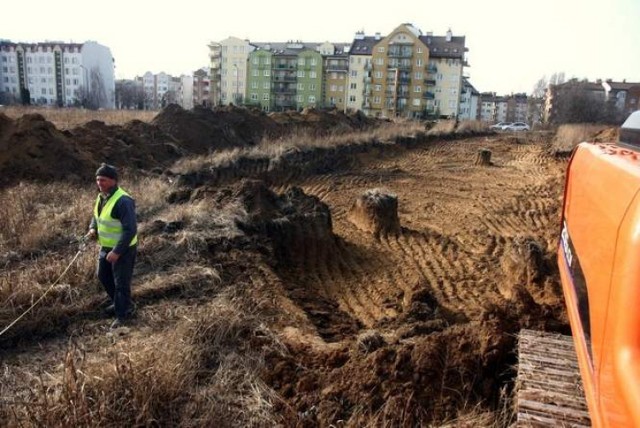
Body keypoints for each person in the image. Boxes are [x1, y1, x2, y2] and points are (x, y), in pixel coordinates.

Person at [86, 163, 138, 329]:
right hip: (106, 247)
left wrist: (117, 251)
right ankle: (120, 304)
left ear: (113, 181)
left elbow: (130, 230)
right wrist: (92, 228)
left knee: (121, 282)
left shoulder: (123, 201)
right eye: (97, 179)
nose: (99, 183)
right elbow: (97, 215)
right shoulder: (102, 196)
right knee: (103, 275)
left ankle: (123, 315)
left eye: (103, 180)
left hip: (123, 249)